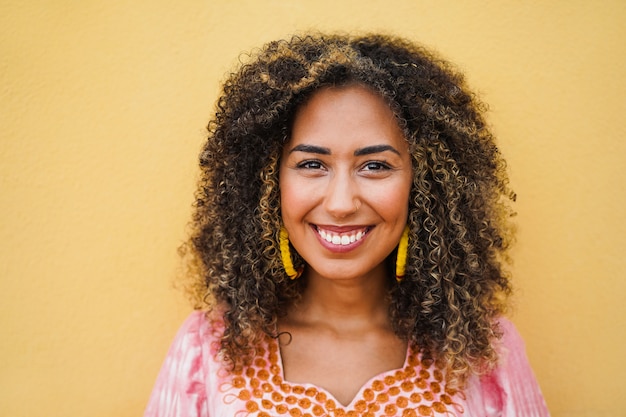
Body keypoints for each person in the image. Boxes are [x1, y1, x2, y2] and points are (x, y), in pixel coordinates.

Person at [144, 33, 550, 417]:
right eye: (311, 164)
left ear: (424, 183)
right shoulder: (207, 348)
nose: (340, 204)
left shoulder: (486, 351)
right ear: (267, 183)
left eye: (375, 166)